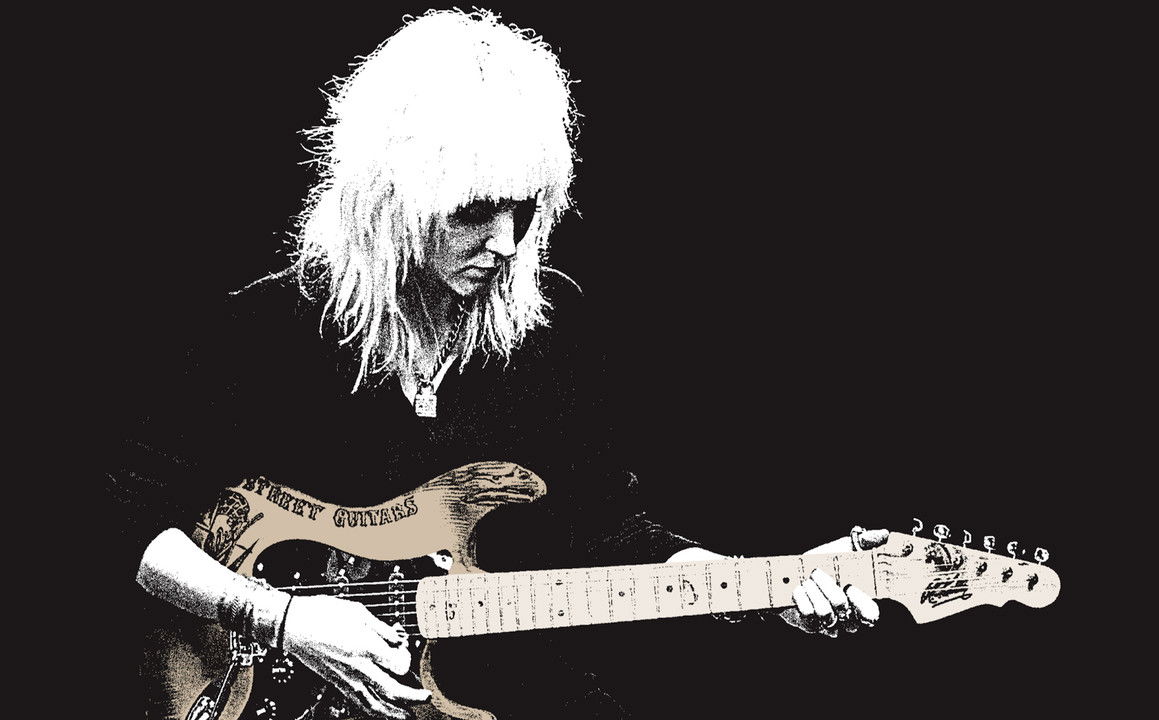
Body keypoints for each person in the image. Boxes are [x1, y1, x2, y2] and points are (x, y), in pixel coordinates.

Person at [116, 9, 882, 719]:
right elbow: (130, 530)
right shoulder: (266, 328)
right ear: (390, 197)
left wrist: (763, 586)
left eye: (525, 209)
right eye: (475, 210)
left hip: (492, 685)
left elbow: (606, 530)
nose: (507, 243)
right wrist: (284, 620)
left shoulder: (546, 331)